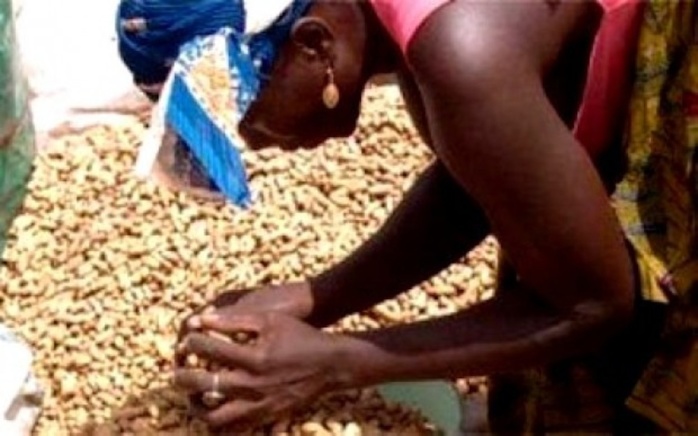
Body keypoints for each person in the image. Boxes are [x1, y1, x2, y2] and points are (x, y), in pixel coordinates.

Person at [169, 0, 697, 433]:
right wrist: (316, 297)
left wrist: (336, 362)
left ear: (314, 45)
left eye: (242, 118)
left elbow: (595, 304)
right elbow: (484, 175)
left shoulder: (461, 52)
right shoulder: (415, 35)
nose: (252, 143)